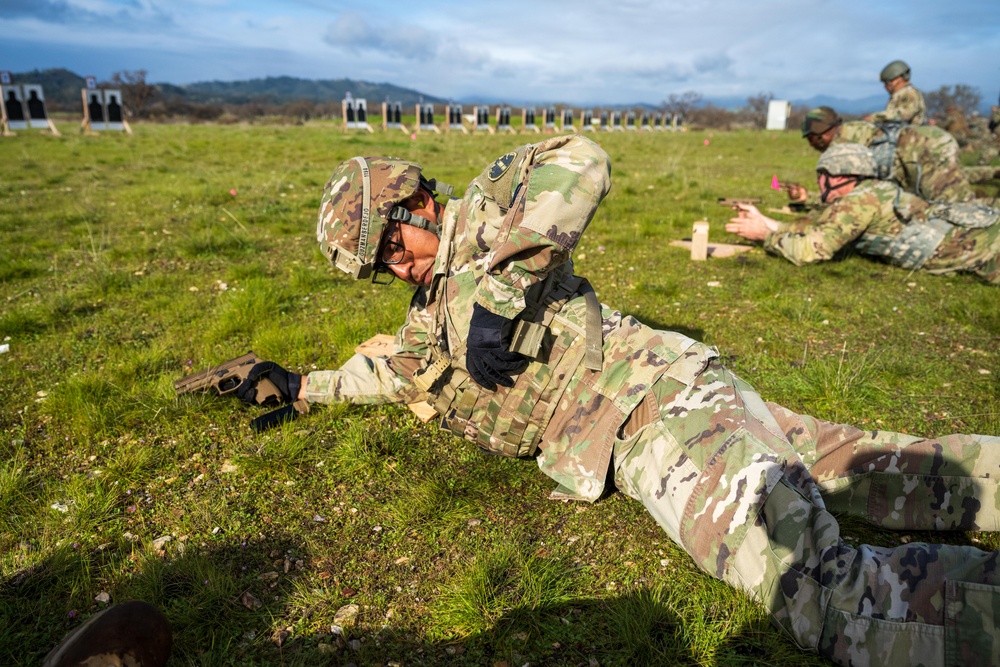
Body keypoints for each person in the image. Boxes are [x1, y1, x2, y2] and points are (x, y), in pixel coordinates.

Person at [236, 136, 1000, 665]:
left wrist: (502, 291)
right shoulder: (427, 319)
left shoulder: (492, 215)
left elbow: (582, 160)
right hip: (671, 402)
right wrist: (304, 386)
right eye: (379, 269)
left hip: (653, 410)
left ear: (415, 206)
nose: (397, 271)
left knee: (820, 595)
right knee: (863, 465)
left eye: (393, 250)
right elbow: (391, 373)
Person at [727, 143, 1000, 283]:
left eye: (822, 175)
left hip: (985, 251)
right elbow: (822, 227)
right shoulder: (872, 191)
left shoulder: (858, 203)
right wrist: (767, 221)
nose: (819, 182)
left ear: (839, 176)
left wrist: (765, 235)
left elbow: (811, 250)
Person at [797, 106, 975, 202]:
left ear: (820, 134)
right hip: (932, 140)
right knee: (956, 199)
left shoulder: (840, 150)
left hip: (924, 150)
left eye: (810, 139)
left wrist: (809, 200)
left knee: (955, 209)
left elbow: (845, 198)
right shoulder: (853, 129)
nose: (811, 145)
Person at [867, 59, 926, 125]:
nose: (885, 86)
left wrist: (874, 117)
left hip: (909, 134)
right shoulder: (900, 94)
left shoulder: (909, 93)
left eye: (888, 82)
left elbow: (904, 115)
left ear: (899, 79)